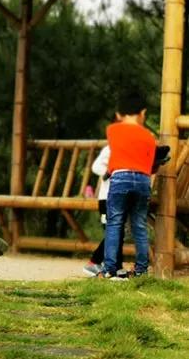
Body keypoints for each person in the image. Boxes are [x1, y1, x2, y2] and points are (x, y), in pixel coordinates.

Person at [101, 91, 156, 279]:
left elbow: (117, 154)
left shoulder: (112, 130)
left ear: (119, 114)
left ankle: (110, 269)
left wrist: (109, 172)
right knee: (139, 225)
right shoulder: (149, 136)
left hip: (120, 177)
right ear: (142, 113)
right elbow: (150, 167)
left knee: (115, 222)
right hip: (142, 180)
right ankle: (141, 270)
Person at [82, 145, 125, 277]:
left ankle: (116, 268)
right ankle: (93, 262)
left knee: (119, 232)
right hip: (106, 200)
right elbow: (96, 166)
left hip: (118, 198)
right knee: (114, 232)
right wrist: (109, 172)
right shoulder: (110, 148)